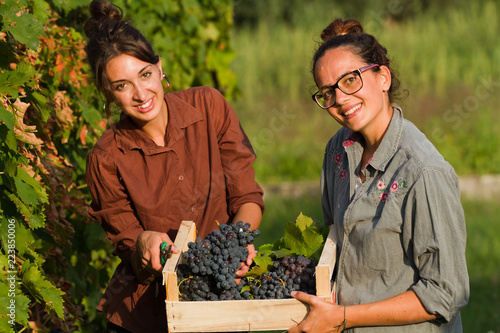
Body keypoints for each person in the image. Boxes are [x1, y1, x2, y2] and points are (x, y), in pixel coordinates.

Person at [83, 0, 264, 332]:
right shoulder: (105, 159)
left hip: (222, 300)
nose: (141, 93)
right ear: (108, 94)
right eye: (122, 86)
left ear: (160, 68)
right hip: (148, 317)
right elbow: (128, 241)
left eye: (145, 74)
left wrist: (240, 243)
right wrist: (144, 244)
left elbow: (247, 197)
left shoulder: (210, 107)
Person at [288, 18, 469, 332]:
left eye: (350, 81)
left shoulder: (422, 172)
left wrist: (343, 318)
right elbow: (336, 243)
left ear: (382, 76)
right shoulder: (338, 152)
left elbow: (447, 292)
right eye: (327, 92)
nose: (340, 100)